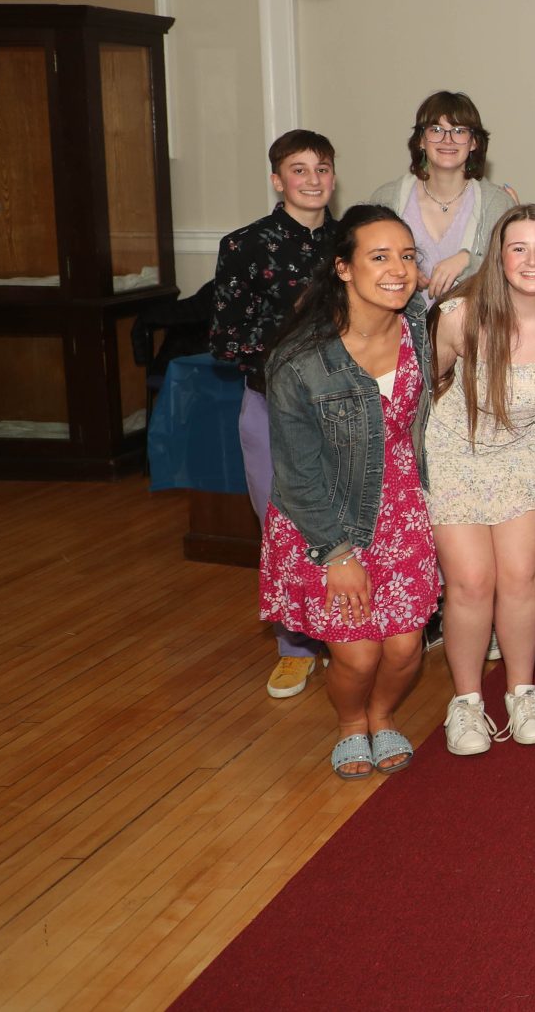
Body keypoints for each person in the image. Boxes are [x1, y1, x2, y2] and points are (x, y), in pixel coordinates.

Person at [257, 205, 439, 779]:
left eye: (407, 256)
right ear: (342, 268)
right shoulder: (300, 361)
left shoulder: (415, 327)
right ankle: (350, 724)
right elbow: (297, 472)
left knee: (406, 649)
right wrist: (337, 553)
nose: (398, 269)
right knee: (358, 654)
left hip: (404, 511)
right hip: (326, 517)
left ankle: (382, 717)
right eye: (379, 257)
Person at [425, 205, 535, 756]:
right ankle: (465, 703)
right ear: (499, 257)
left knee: (519, 578)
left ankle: (521, 691)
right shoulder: (462, 315)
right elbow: (428, 383)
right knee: (470, 582)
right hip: (455, 448)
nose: (532, 259)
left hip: (522, 450)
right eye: (519, 248)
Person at [210, 128, 338, 701]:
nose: (312, 179)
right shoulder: (244, 245)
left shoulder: (353, 240)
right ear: (277, 178)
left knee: (344, 523)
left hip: (345, 410)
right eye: (299, 169)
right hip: (271, 404)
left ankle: (342, 630)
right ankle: (295, 647)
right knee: (280, 525)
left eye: (322, 168)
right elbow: (224, 338)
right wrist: (295, 346)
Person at [369, 91, 516, 300]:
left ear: (474, 142)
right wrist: (402, 271)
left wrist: (469, 261)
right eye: (436, 130)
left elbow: (515, 272)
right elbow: (364, 263)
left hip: (475, 329)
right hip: (399, 329)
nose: (448, 140)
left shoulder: (498, 204)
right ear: (421, 140)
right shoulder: (387, 198)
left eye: (459, 131)